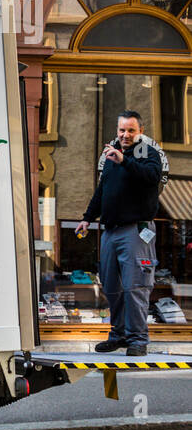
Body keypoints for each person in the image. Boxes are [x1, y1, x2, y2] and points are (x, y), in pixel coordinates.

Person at [74, 111, 163, 356]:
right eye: (122, 130)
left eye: (131, 130)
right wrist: (87, 218)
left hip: (136, 230)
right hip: (110, 231)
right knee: (112, 286)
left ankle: (138, 340)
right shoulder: (113, 154)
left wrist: (124, 160)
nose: (125, 135)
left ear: (140, 132)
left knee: (136, 287)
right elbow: (104, 189)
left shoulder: (148, 153)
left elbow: (152, 177)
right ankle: (119, 334)